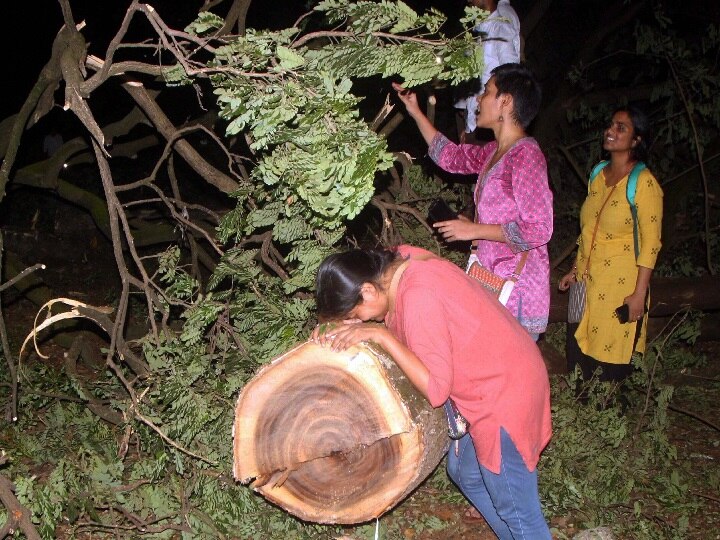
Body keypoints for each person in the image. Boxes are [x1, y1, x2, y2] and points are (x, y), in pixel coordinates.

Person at [313, 244, 553, 539]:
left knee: (518, 511)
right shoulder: (400, 261)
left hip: (504, 395)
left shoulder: (418, 297)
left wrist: (380, 335)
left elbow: (437, 391)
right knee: (466, 474)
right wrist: (336, 327)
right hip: (506, 368)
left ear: (368, 291)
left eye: (355, 313)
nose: (359, 321)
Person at [393, 63, 553, 340]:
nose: (478, 100)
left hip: (517, 293)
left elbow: (540, 228)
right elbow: (451, 157)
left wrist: (475, 230)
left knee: (506, 377)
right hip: (491, 281)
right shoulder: (495, 152)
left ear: (505, 101)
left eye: (486, 92)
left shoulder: (526, 156)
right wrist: (415, 111)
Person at [558, 106, 663, 384]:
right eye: (611, 125)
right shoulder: (598, 173)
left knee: (608, 364)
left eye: (621, 128)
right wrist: (573, 268)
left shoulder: (644, 183)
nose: (611, 131)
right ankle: (580, 417)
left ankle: (607, 419)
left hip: (618, 287)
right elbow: (589, 228)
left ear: (637, 139)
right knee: (576, 353)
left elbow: (651, 243)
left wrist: (639, 294)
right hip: (583, 281)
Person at [456, 0, 521, 141]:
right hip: (476, 120)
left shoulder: (501, 26)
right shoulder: (481, 29)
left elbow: (511, 74)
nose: (469, 1)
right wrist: (469, 126)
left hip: (490, 125)